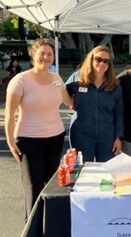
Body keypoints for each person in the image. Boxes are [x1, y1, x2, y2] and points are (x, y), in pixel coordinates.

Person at [5, 38, 72, 222]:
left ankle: (49, 230)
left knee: (51, 187)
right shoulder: (20, 80)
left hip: (55, 138)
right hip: (29, 140)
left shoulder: (57, 79)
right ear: (33, 55)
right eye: (41, 53)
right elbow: (10, 115)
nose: (46, 57)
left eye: (49, 54)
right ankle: (31, 233)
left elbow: (69, 102)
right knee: (33, 188)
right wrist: (11, 143)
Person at [66, 46, 123, 163]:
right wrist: (70, 101)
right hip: (81, 135)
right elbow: (61, 92)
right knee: (82, 170)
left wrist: (118, 137)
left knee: (106, 171)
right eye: (98, 59)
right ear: (91, 59)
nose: (102, 63)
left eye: (106, 61)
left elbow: (119, 112)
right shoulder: (77, 78)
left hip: (106, 136)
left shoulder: (114, 85)